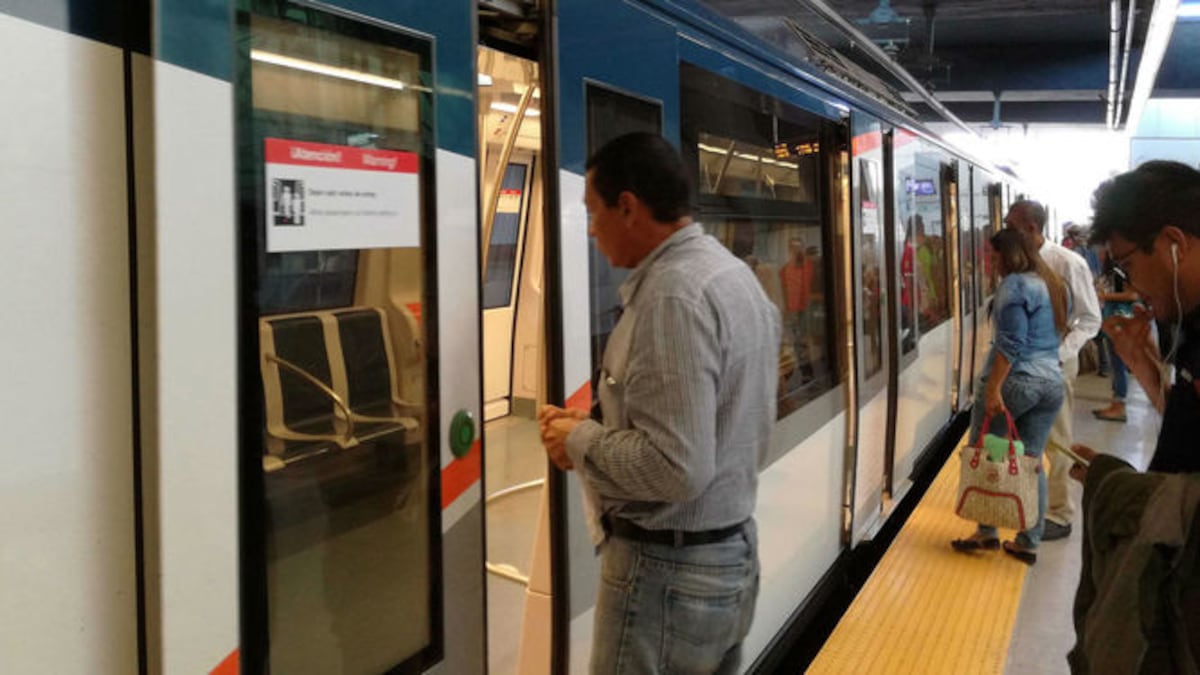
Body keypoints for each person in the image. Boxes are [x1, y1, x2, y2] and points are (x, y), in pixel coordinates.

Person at [538, 132, 781, 674]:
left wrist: (580, 439)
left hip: (666, 577)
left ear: (628, 207)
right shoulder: (732, 274)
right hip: (727, 557)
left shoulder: (672, 295)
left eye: (594, 213)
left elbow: (677, 467)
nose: (591, 230)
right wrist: (598, 427)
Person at [1065, 160, 1200, 673]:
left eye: (1124, 265)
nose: (1129, 285)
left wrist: (1119, 487)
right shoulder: (1187, 321)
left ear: (1172, 243)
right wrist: (1143, 365)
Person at [950, 229, 1069, 565]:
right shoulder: (1054, 284)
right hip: (1051, 382)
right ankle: (1028, 542)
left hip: (1017, 381)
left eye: (994, 255)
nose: (990, 262)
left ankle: (986, 531)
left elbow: (1011, 343)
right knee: (1032, 461)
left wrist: (993, 389)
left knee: (987, 451)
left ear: (1009, 255)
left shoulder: (1015, 286)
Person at [1003, 200, 1102, 541]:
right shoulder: (1017, 262)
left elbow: (1090, 319)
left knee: (1055, 437)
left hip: (1054, 361)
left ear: (1031, 228)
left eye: (1011, 226)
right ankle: (1026, 502)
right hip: (1021, 361)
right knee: (1024, 436)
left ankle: (1059, 512)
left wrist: (1058, 354)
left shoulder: (1068, 263)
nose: (1005, 231)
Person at [1092, 252, 1140, 422]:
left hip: (1119, 321)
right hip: (1113, 320)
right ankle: (1116, 403)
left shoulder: (1120, 272)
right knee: (1116, 363)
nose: (1098, 253)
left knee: (1119, 364)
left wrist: (1103, 296)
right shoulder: (1111, 272)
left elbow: (1132, 295)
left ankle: (1119, 404)